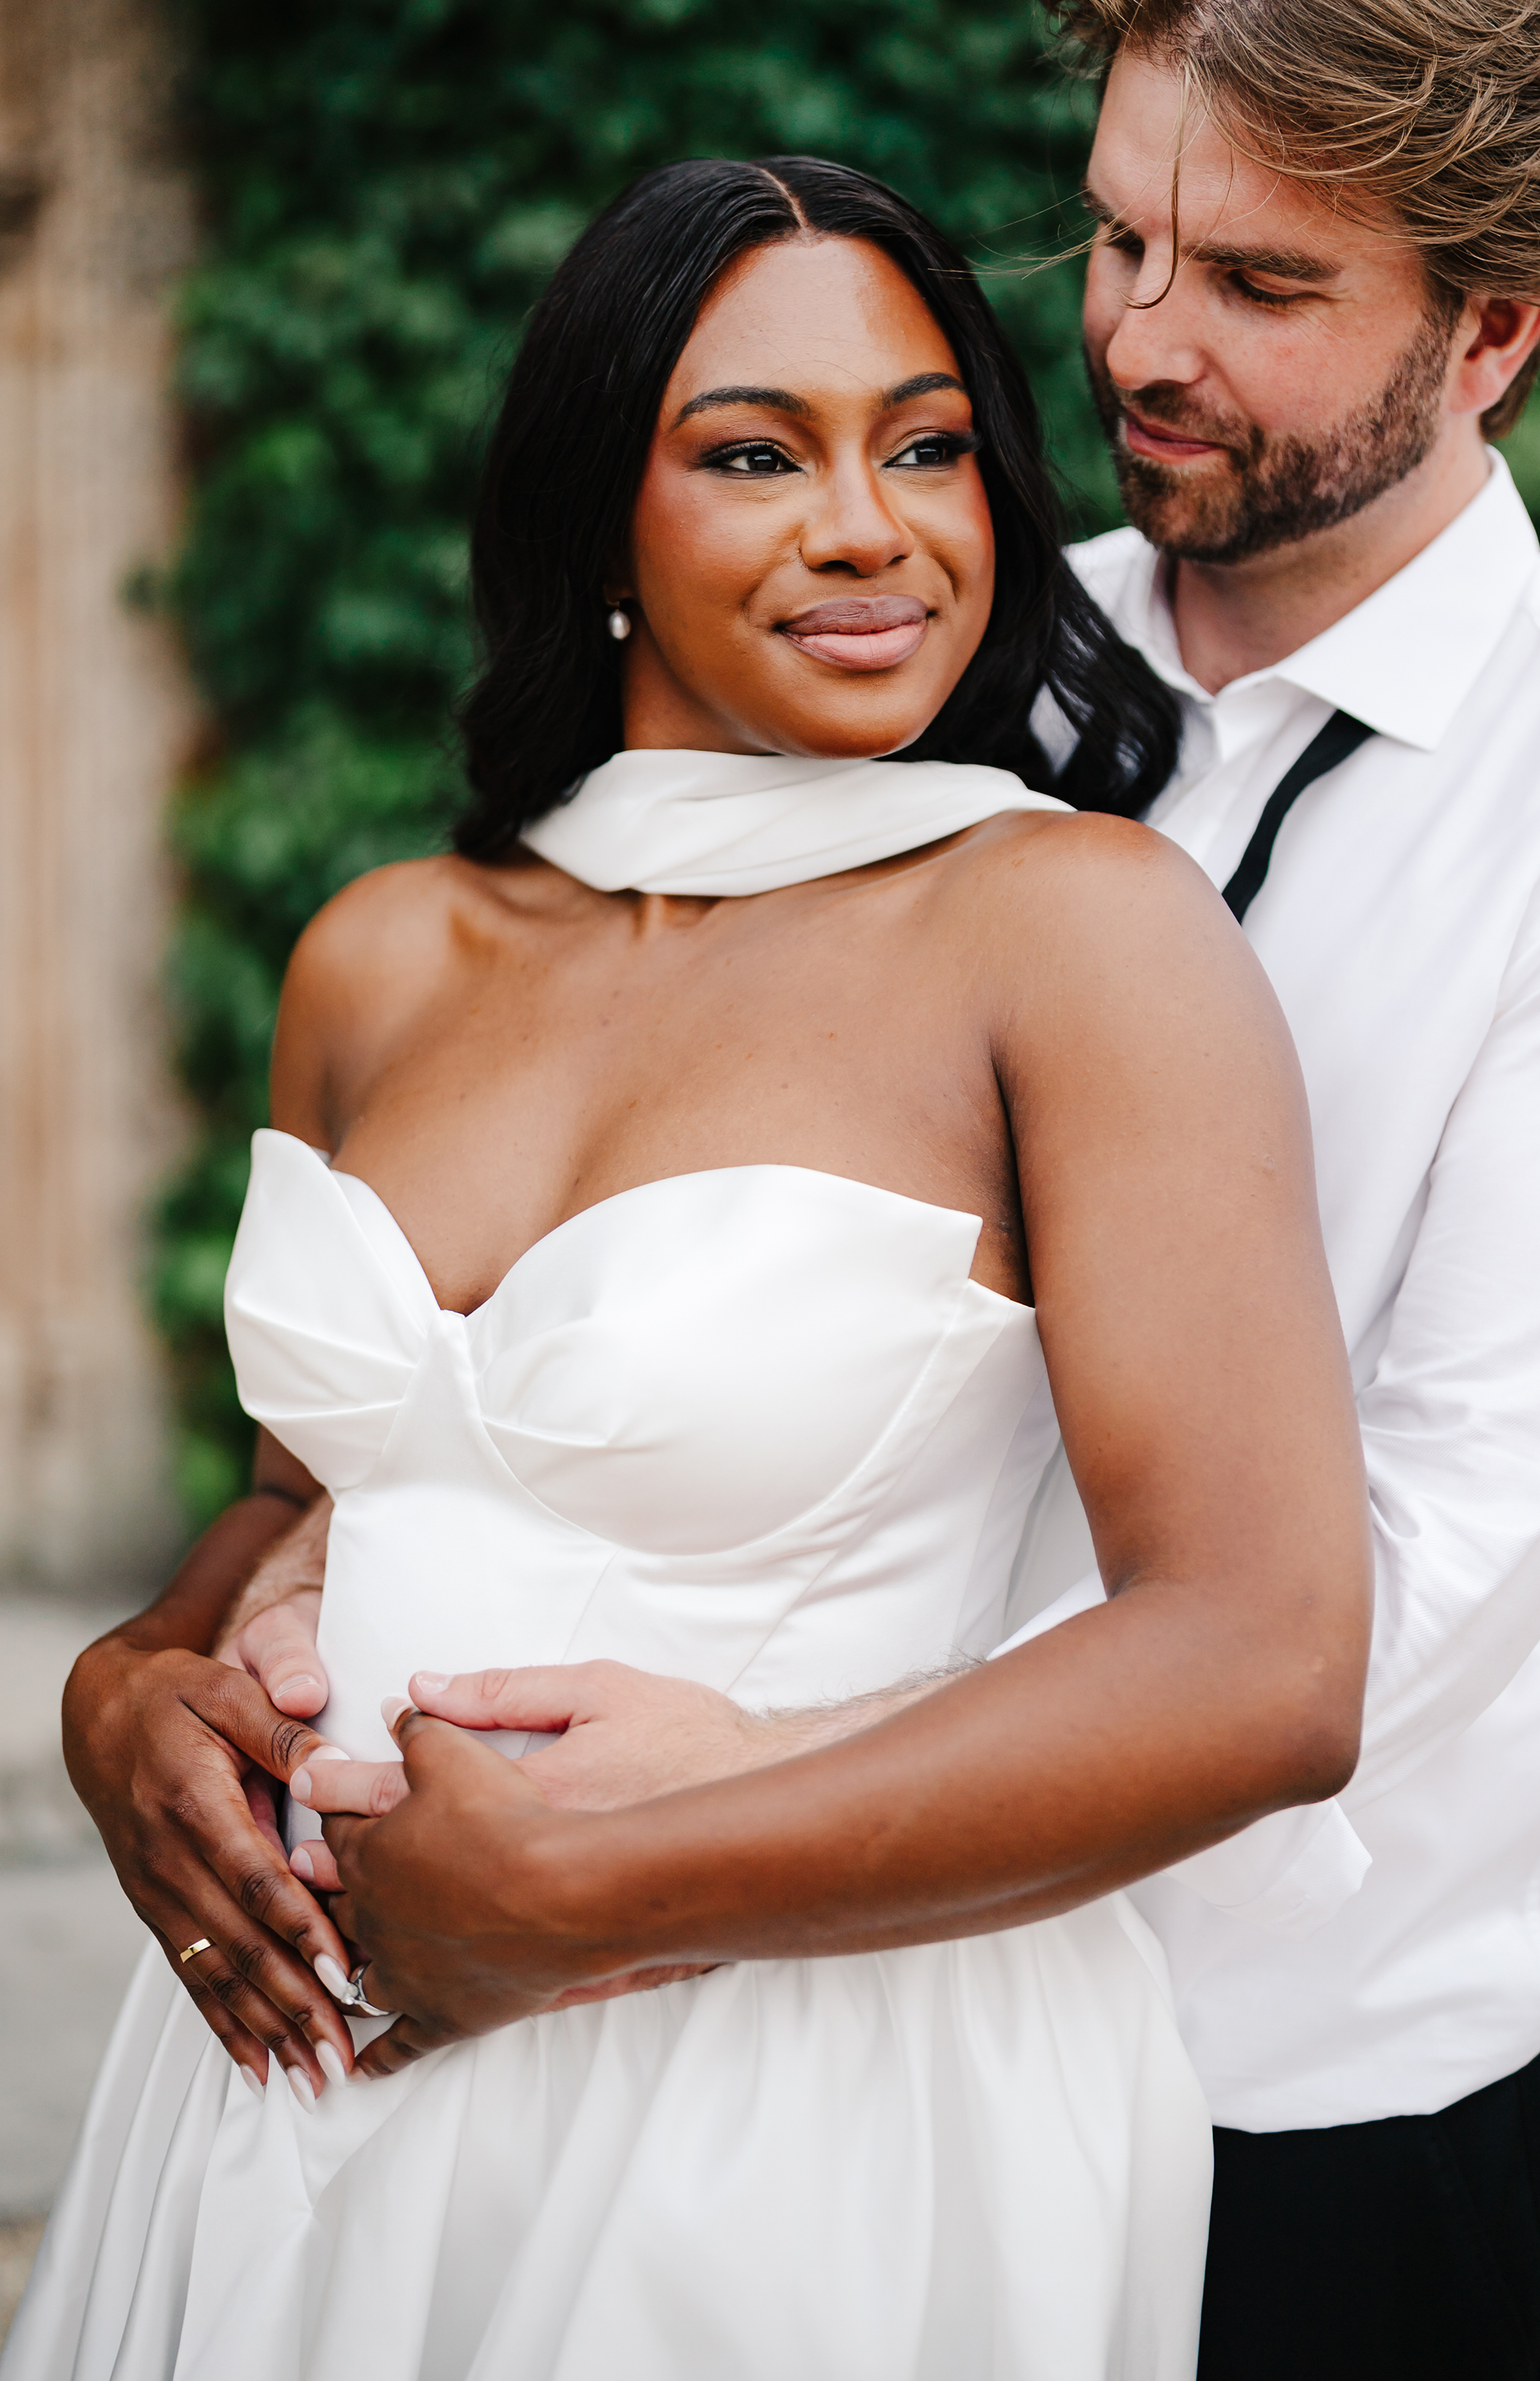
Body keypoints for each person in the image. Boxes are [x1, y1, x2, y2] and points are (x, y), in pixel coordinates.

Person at [45, 0, 1540, 2376]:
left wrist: (666, 1825)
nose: (1141, 344)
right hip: (712, 2087)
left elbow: (1396, 1596)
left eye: (1266, 288)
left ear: (1499, 329)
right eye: (1119, 242)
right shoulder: (954, 638)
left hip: (1310, 2089)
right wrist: (161, 1673)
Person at [8, 154, 1371, 2381]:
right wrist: (127, 1687)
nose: (871, 527)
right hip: (286, 2086)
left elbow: (1267, 1660)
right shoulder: (388, 953)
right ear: (597, 519)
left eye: (927, 446)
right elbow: (310, 1495)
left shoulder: (1075, 934)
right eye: (756, 454)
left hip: (798, 2090)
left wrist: (584, 1898)